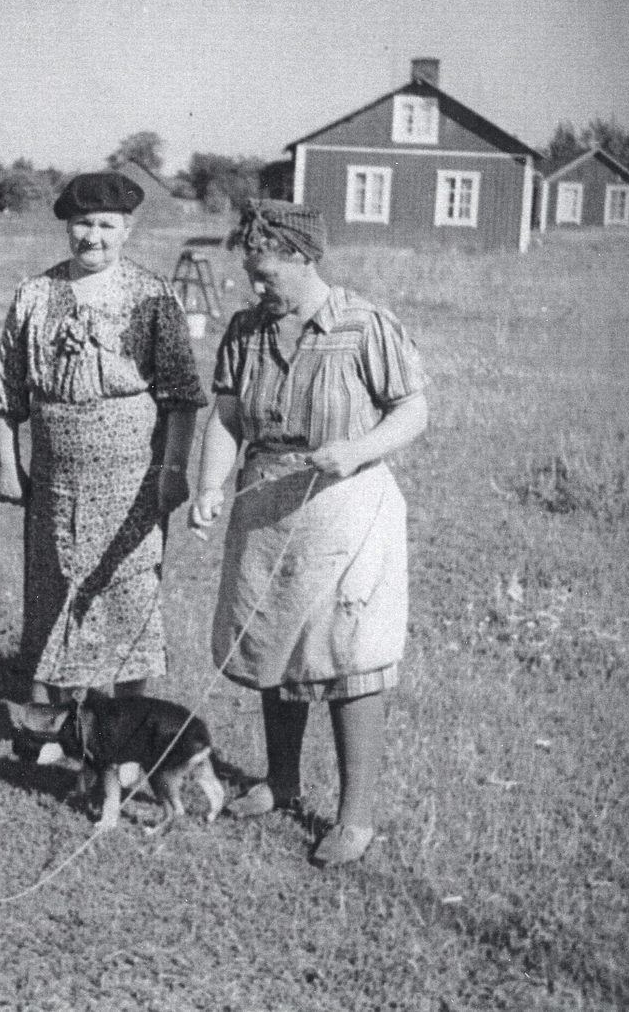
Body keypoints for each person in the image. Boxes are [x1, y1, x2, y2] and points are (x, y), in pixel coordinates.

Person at [189, 199, 428, 866]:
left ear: (302, 258)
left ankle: (355, 818)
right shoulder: (246, 329)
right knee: (274, 641)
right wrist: (210, 486)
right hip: (268, 507)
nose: (255, 286)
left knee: (349, 652)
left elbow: (412, 411)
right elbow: (227, 417)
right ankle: (282, 781)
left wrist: (356, 450)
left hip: (347, 507)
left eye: (266, 274)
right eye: (250, 273)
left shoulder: (363, 324)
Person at [0, 172, 207, 716]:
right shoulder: (35, 294)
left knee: (129, 594)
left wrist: (174, 471)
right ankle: (50, 723)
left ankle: (124, 724)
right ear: (67, 226)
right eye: (83, 223)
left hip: (133, 482)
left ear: (128, 229)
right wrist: (8, 466)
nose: (93, 237)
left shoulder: (153, 295)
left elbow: (182, 398)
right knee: (54, 591)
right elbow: (5, 391)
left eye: (107, 225)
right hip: (56, 480)